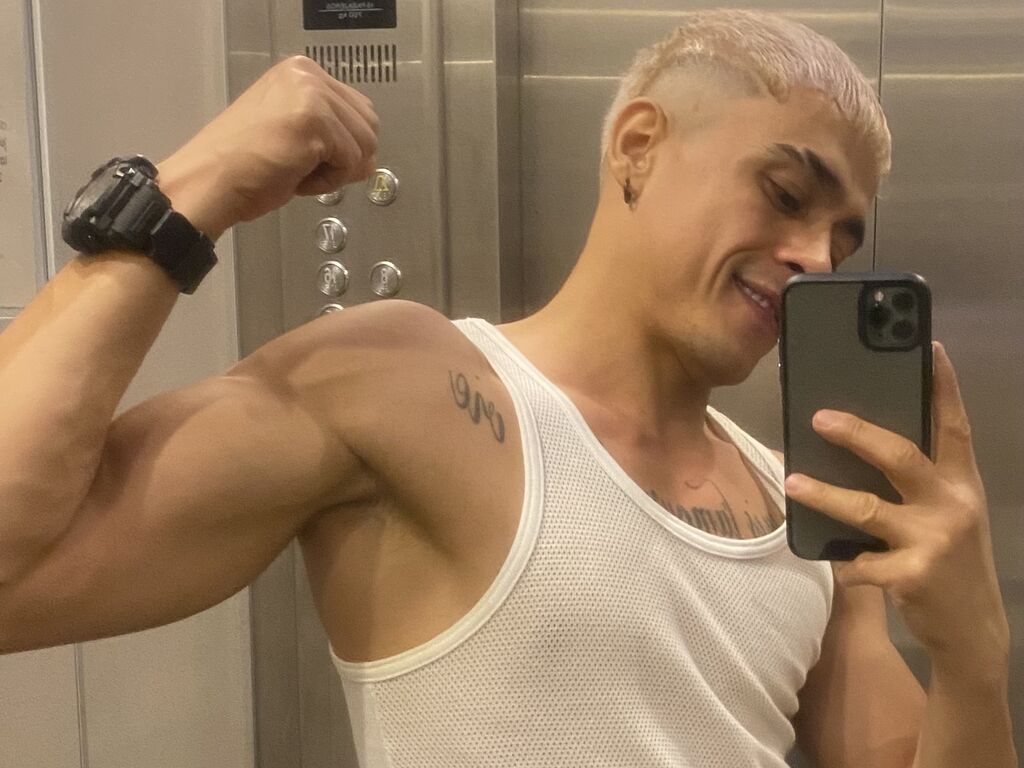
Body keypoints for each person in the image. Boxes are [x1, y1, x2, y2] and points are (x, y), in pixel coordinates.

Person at [0, 9, 1015, 767]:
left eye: (841, 240)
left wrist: (972, 653)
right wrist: (186, 193)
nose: (814, 258)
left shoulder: (806, 514)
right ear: (638, 147)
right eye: (786, 194)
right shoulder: (404, 382)